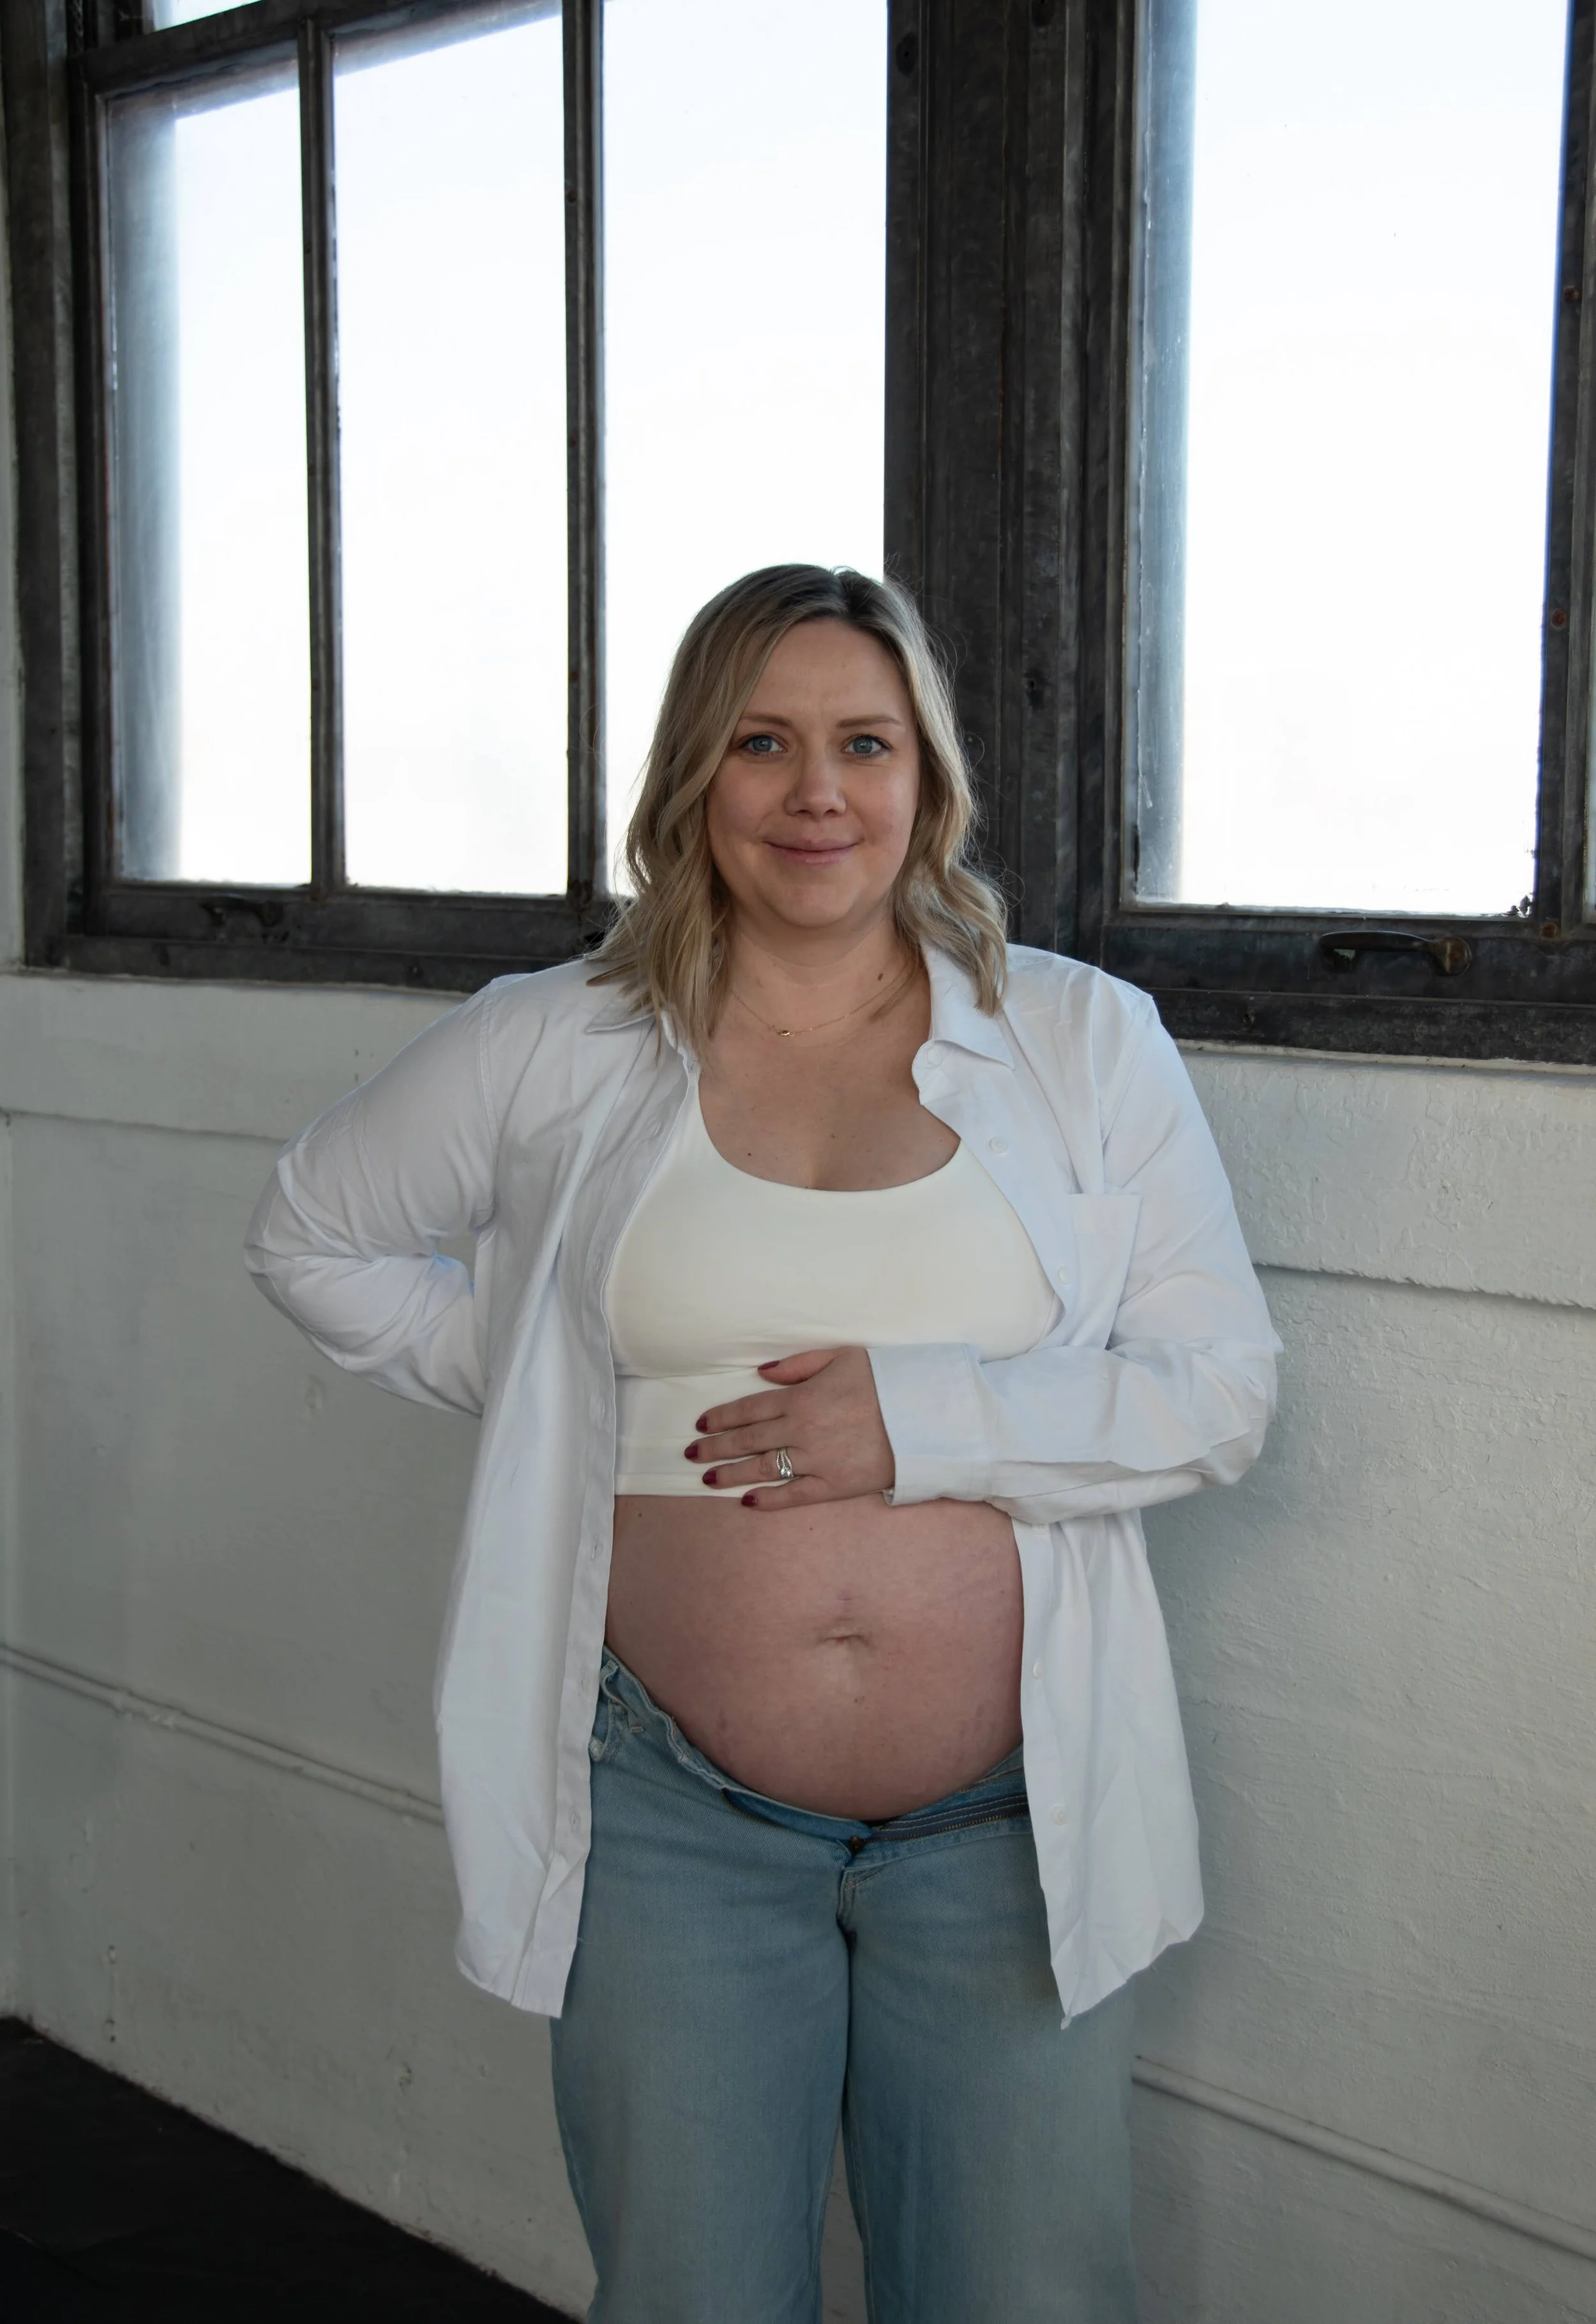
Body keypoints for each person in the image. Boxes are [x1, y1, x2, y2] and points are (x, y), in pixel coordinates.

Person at [245, 564, 1281, 2323]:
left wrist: (923, 1420)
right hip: (669, 1819)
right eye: (762, 742)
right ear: (689, 782)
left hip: (1010, 1818)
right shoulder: (554, 1043)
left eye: (863, 744)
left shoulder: (1081, 1041)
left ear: (925, 784)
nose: (816, 791)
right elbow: (312, 1239)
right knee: (694, 2294)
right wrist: (566, 1394)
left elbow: (1216, 1386)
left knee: (1025, 2297)